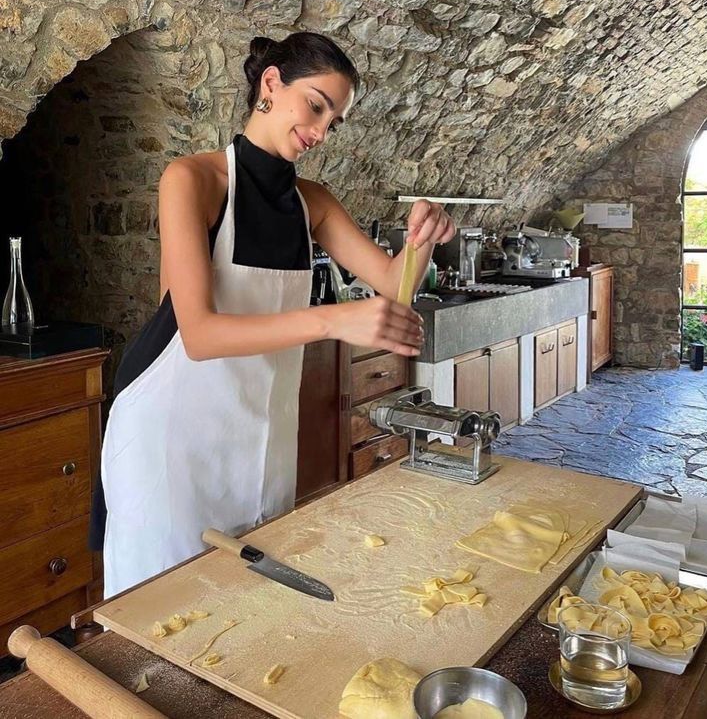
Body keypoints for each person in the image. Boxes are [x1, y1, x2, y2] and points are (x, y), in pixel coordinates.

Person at [96, 31, 455, 597]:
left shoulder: (314, 202)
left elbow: (394, 287)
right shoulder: (191, 180)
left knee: (251, 605)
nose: (319, 131)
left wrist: (423, 235)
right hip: (171, 438)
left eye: (333, 121)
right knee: (163, 611)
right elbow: (200, 336)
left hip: (260, 433)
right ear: (271, 83)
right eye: (315, 105)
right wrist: (333, 319)